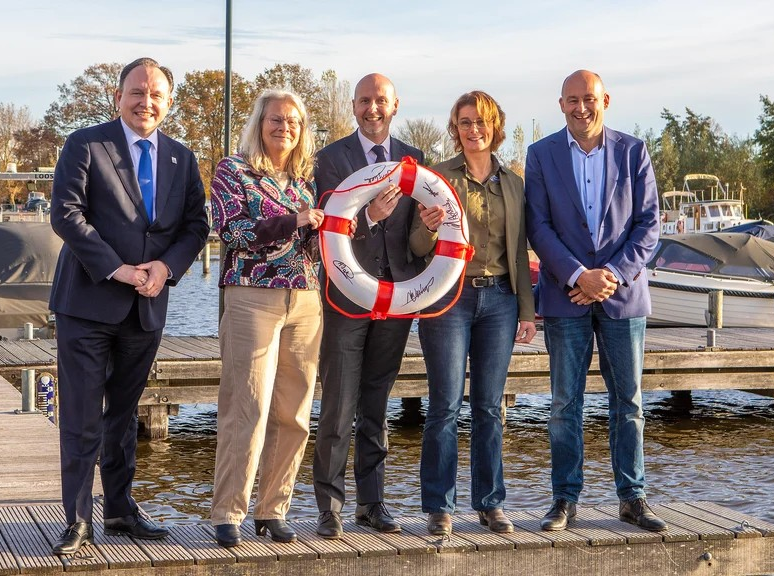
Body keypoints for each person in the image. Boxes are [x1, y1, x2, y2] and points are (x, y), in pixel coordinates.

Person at [47, 57, 210, 555]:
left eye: (156, 94)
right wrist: (117, 267)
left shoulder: (182, 159)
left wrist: (166, 269)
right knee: (81, 415)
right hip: (89, 302)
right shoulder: (86, 144)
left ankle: (119, 509)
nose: (146, 102)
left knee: (123, 414)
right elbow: (65, 214)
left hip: (146, 306)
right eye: (137, 92)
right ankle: (77, 520)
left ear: (169, 102)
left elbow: (195, 226)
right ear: (118, 96)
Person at [524, 70, 667, 533]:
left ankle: (633, 497)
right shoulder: (540, 155)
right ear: (560, 104)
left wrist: (610, 274)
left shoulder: (634, 151)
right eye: (572, 100)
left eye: (589, 99)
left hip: (622, 297)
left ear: (606, 100)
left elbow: (649, 224)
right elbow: (539, 227)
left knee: (628, 401)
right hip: (565, 296)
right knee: (566, 402)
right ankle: (565, 499)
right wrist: (577, 275)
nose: (581, 108)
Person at [410, 91, 537, 536]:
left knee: (488, 407)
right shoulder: (436, 177)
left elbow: (519, 252)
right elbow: (416, 247)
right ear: (455, 128)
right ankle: (439, 507)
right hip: (448, 298)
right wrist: (427, 227)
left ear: (494, 126)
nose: (473, 129)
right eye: (464, 122)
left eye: (480, 121)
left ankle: (490, 503)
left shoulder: (514, 184)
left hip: (500, 300)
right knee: (444, 405)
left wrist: (527, 310)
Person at [311, 73, 428, 539]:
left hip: (397, 296)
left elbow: (418, 237)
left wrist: (434, 226)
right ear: (354, 106)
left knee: (377, 404)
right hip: (345, 296)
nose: (372, 109)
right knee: (338, 405)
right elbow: (327, 226)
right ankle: (330, 507)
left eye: (380, 100)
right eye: (364, 101)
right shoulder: (329, 158)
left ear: (395, 104)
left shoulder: (415, 159)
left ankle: (372, 504)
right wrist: (367, 216)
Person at [208, 89, 324, 548]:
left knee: (293, 413)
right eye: (276, 119)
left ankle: (272, 510)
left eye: (293, 122)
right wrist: (295, 221)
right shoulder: (232, 171)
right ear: (259, 123)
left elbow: (312, 247)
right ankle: (228, 511)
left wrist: (330, 228)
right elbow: (231, 230)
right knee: (247, 408)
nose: (284, 128)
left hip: (306, 298)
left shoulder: (303, 181)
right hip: (252, 296)